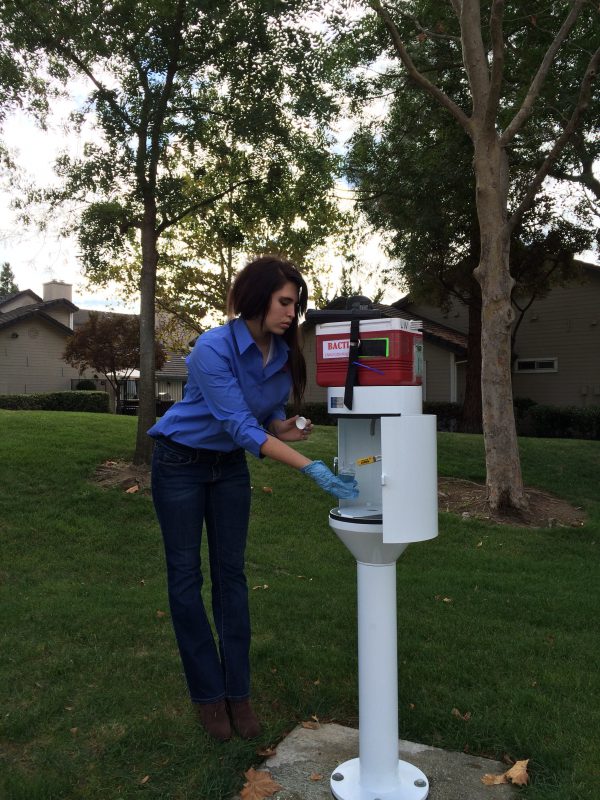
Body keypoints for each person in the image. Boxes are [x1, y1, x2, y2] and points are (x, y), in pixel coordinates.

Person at [149, 256, 358, 742]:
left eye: (297, 303)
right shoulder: (212, 347)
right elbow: (239, 424)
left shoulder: (284, 355)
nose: (293, 312)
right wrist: (314, 470)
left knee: (232, 578)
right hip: (179, 463)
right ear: (256, 296)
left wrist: (285, 426)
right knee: (185, 580)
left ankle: (238, 693)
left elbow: (262, 418)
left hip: (228, 469)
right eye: (285, 301)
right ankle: (208, 696)